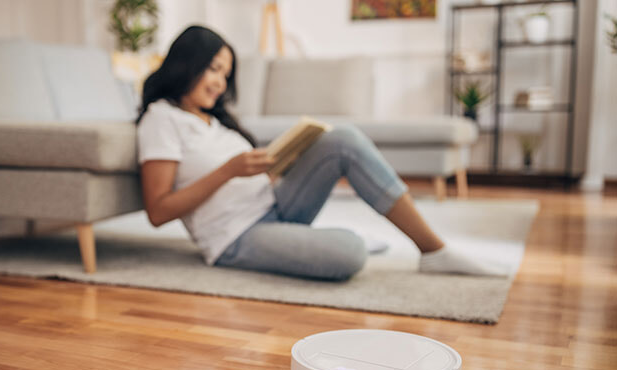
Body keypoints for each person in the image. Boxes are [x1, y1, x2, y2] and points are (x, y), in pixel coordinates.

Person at [136, 25, 506, 281]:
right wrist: (229, 171)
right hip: (236, 237)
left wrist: (278, 164)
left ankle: (435, 250)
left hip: (274, 203)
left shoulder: (214, 120)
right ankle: (336, 240)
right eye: (214, 69)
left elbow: (247, 176)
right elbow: (158, 211)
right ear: (187, 62)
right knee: (350, 253)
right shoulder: (161, 119)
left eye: (225, 74)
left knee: (342, 138)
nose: (220, 83)